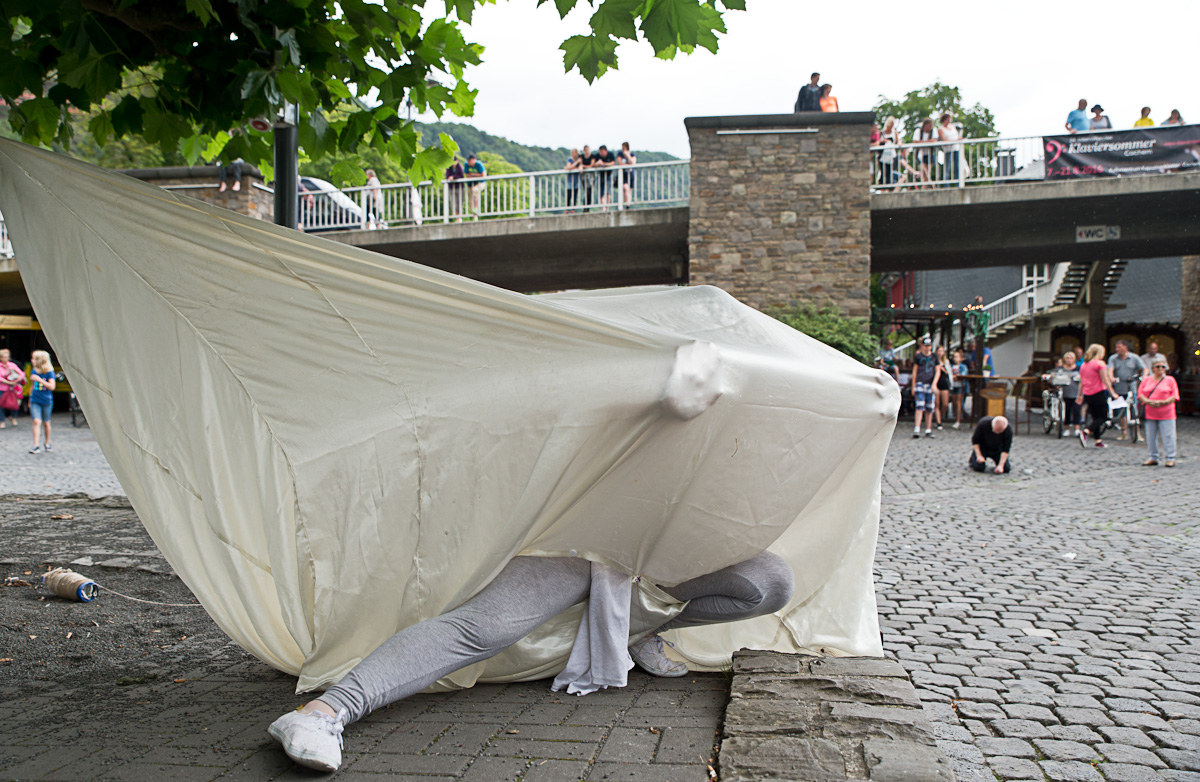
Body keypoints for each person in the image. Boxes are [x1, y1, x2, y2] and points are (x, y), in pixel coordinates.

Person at [268, 550, 794, 772]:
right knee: (485, 627)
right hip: (584, 537)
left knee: (769, 580)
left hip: (670, 544)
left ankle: (636, 629)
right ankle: (323, 712)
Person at [1139, 358, 1179, 467]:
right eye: (1158, 367)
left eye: (1163, 367)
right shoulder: (1146, 380)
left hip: (1166, 413)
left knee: (1169, 436)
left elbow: (1174, 395)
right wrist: (1148, 401)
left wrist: (1163, 402)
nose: (1161, 369)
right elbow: (1140, 394)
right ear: (1152, 369)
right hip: (1150, 412)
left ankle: (1170, 457)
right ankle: (1153, 457)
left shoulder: (1170, 380)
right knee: (1150, 436)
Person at [1078, 343, 1117, 448]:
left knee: (1095, 417)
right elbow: (1105, 379)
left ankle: (1098, 440)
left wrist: (1079, 394)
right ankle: (1086, 431)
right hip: (1098, 392)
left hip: (1087, 393)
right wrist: (1112, 393)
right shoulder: (1100, 364)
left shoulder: (1084, 365)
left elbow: (1081, 381)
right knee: (1103, 417)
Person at [1106, 340, 1144, 440]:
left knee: (1134, 410)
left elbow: (1144, 368)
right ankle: (1124, 432)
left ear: (1125, 347)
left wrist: (1144, 376)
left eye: (1119, 347)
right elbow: (1110, 370)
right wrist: (1111, 377)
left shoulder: (1134, 358)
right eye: (1116, 347)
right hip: (1119, 387)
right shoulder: (1113, 358)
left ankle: (1137, 433)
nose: (1117, 349)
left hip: (1131, 388)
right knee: (1120, 411)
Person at [910, 337, 940, 439]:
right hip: (920, 382)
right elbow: (915, 371)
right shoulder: (918, 357)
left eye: (929, 346)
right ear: (922, 346)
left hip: (930, 383)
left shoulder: (934, 357)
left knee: (929, 407)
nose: (927, 348)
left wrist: (934, 384)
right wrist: (913, 385)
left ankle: (928, 428)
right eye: (925, 346)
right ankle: (917, 428)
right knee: (920, 405)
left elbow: (937, 371)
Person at [27, 350, 55, 454]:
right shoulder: (34, 371)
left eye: (34, 359)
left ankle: (47, 442)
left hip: (46, 400)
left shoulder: (49, 372)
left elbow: (52, 386)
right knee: (36, 421)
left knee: (46, 422)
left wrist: (40, 380)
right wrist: (30, 399)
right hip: (35, 399)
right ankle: (36, 445)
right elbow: (32, 386)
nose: (32, 360)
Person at [1060, 351, 1084, 437]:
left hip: (1076, 392)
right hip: (1066, 392)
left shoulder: (1079, 368)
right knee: (1067, 411)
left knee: (1076, 411)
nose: (1069, 360)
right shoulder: (1061, 369)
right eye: (1067, 358)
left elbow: (1084, 378)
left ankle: (1077, 428)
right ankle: (1066, 428)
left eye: (1071, 358)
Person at [0, 348, 26, 428]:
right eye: (4, 357)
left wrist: (18, 379)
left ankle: (13, 417)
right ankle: (2, 421)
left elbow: (22, 374)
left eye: (7, 357)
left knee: (15, 404)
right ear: (1, 358)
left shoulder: (12, 365)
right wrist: (9, 382)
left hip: (13, 389)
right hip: (2, 388)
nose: (6, 358)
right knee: (1, 405)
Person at [938, 113, 962, 186]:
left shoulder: (952, 126)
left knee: (957, 166)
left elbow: (956, 136)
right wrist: (955, 141)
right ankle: (946, 184)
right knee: (947, 167)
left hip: (956, 148)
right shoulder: (941, 129)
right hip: (947, 150)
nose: (949, 121)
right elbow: (944, 140)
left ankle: (958, 183)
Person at [592, 144, 618, 211]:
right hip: (600, 175)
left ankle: (607, 207)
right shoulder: (597, 156)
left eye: (602, 151)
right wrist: (597, 163)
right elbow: (593, 165)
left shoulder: (610, 155)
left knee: (607, 192)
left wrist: (603, 164)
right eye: (600, 152)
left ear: (605, 151)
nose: (600, 153)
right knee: (601, 193)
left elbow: (613, 163)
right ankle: (602, 208)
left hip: (608, 175)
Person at [914, 118, 937, 188]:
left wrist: (922, 142)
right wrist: (928, 142)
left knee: (926, 176)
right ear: (925, 125)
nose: (931, 127)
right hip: (920, 155)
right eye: (930, 126)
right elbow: (915, 141)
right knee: (925, 173)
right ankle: (933, 187)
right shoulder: (918, 131)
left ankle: (925, 189)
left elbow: (935, 140)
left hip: (929, 154)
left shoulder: (933, 130)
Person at [949, 348, 968, 429]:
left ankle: (958, 420)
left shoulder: (963, 367)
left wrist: (954, 377)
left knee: (958, 403)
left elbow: (962, 376)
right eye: (954, 357)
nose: (955, 358)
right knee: (954, 403)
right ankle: (955, 418)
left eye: (957, 357)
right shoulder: (951, 366)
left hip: (960, 386)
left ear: (960, 358)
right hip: (953, 386)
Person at [934, 345, 952, 430]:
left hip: (944, 383)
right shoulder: (934, 361)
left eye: (942, 351)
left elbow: (949, 373)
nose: (940, 353)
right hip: (936, 383)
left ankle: (940, 416)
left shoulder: (946, 362)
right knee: (937, 403)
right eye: (939, 351)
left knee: (945, 404)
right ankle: (938, 421)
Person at [444, 156, 465, 222]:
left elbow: (461, 176)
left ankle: (459, 216)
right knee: (453, 202)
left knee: (460, 202)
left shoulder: (460, 168)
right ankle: (456, 217)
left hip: (460, 187)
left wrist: (453, 177)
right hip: (452, 188)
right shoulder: (448, 168)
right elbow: (447, 176)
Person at [617, 142, 637, 207]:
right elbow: (620, 163)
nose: (622, 149)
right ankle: (626, 204)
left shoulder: (632, 154)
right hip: (623, 175)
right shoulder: (620, 154)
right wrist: (628, 165)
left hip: (631, 174)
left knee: (629, 190)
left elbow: (633, 163)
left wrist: (628, 156)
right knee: (625, 188)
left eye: (623, 148)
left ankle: (628, 205)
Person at [579, 144, 596, 212]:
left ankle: (587, 207)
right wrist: (582, 166)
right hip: (584, 176)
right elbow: (580, 164)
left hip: (591, 176)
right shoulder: (581, 156)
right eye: (586, 150)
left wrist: (583, 166)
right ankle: (585, 207)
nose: (587, 151)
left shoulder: (592, 156)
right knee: (586, 192)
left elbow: (591, 165)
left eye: (588, 150)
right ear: (584, 151)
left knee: (589, 192)